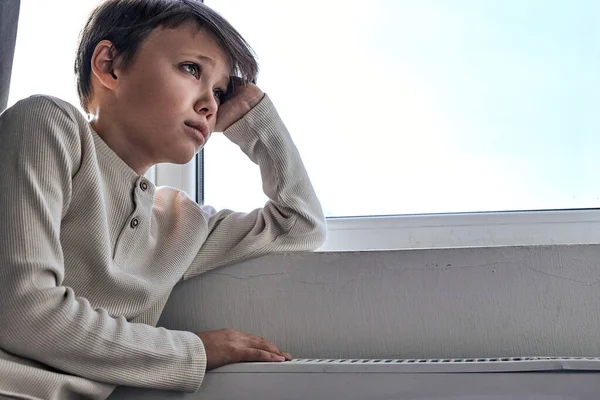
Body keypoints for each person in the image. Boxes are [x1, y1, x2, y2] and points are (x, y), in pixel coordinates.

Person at [0, 0, 326, 398]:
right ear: (109, 65)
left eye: (221, 92)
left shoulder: (181, 224)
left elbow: (301, 224)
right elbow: (22, 310)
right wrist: (195, 351)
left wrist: (255, 120)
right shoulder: (48, 126)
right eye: (192, 69)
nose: (210, 104)